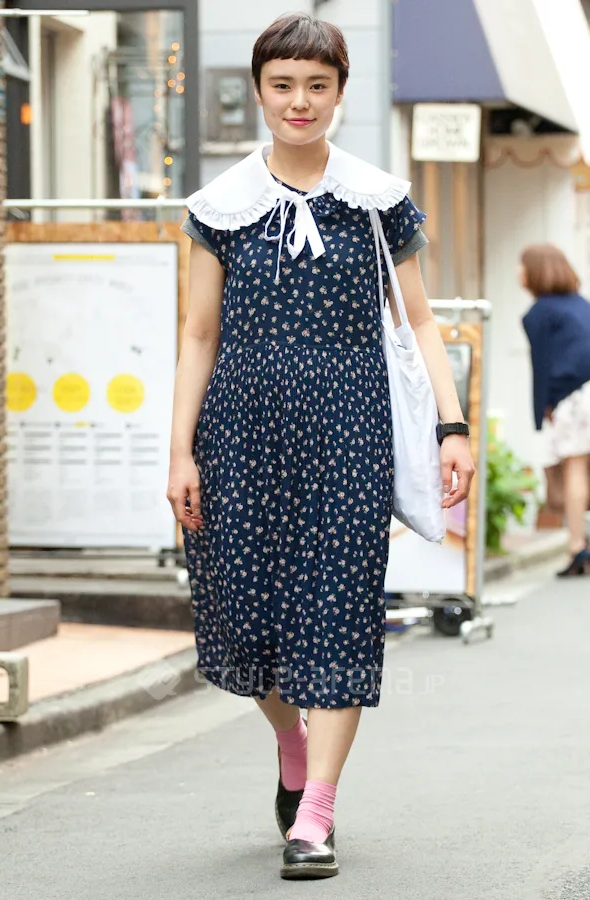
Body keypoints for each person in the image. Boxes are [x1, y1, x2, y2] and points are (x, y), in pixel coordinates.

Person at [167, 12, 475, 880]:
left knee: (337, 614)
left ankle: (317, 815)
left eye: (317, 85)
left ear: (339, 93)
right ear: (260, 91)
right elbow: (198, 334)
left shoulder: (377, 199)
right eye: (283, 85)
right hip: (239, 436)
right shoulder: (219, 206)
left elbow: (420, 321)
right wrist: (181, 452)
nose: (299, 101)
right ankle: (291, 745)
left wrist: (452, 426)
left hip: (349, 435)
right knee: (246, 615)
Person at [521, 244, 590, 577]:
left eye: (522, 266)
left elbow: (542, 365)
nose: (519, 273)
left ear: (536, 271)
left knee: (574, 467)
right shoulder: (582, 304)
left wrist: (545, 408)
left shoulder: (539, 313)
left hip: (575, 396)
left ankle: (577, 546)